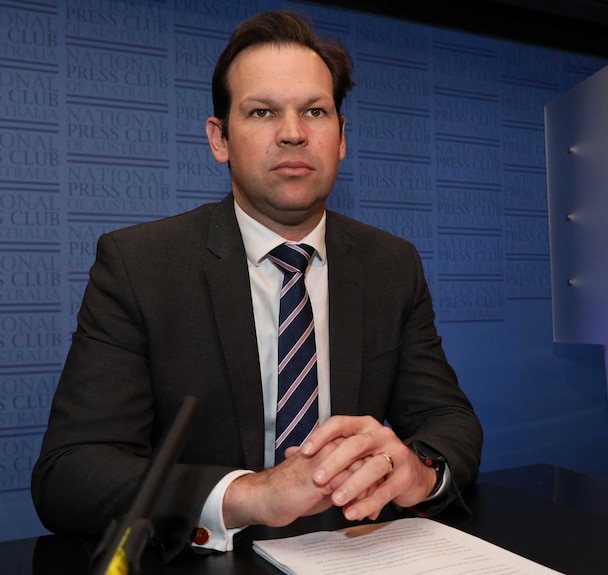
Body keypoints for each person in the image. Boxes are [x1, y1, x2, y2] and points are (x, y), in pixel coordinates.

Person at [31, 10, 482, 558]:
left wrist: (417, 471)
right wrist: (252, 494)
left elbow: (449, 421)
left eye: (315, 111)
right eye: (262, 111)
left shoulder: (392, 263)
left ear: (340, 138)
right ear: (219, 138)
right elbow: (69, 473)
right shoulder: (138, 264)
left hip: (356, 553)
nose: (293, 133)